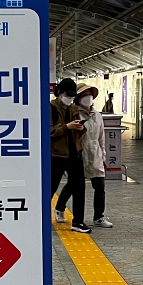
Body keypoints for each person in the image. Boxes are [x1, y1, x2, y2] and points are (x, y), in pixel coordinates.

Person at [56, 83, 112, 228]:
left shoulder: (97, 115)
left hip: (95, 155)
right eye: (84, 95)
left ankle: (99, 216)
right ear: (78, 98)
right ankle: (60, 207)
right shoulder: (74, 113)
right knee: (72, 186)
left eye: (90, 95)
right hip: (80, 155)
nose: (88, 98)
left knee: (100, 186)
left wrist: (103, 155)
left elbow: (101, 138)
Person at [49, 78, 90, 233]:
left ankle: (78, 221)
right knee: (50, 187)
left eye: (72, 97)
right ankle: (39, 217)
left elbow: (79, 127)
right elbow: (49, 131)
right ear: (59, 93)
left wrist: (81, 128)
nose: (70, 99)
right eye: (68, 95)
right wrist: (67, 127)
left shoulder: (73, 108)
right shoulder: (50, 108)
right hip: (57, 154)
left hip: (74, 152)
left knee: (79, 187)